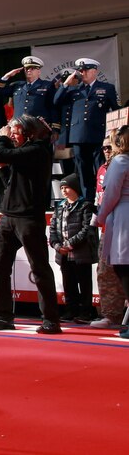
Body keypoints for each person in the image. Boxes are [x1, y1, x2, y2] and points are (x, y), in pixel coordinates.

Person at [0, 116, 61, 333]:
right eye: (12, 132)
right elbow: (10, 181)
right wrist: (1, 168)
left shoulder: (37, 150)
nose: (12, 135)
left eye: (16, 132)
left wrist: (1, 138)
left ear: (29, 132)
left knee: (39, 268)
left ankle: (51, 319)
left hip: (28, 218)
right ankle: (3, 316)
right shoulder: (24, 153)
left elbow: (0, 152)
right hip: (8, 216)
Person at [54, 58, 119, 201]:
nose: (81, 73)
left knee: (101, 168)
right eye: (80, 70)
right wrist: (65, 84)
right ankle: (87, 201)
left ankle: (104, 197)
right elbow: (56, 101)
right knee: (83, 171)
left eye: (85, 70)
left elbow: (115, 110)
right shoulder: (73, 89)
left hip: (98, 135)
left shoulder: (106, 88)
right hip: (78, 136)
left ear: (94, 71)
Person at [95, 125, 129, 339]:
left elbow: (111, 194)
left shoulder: (120, 161)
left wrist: (99, 217)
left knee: (123, 268)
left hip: (123, 217)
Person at [50, 173, 97, 323]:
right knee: (68, 283)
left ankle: (86, 312)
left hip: (81, 253)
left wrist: (70, 244)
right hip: (63, 254)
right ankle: (71, 310)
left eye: (67, 187)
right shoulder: (59, 207)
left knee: (84, 283)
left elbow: (87, 229)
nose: (63, 190)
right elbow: (52, 231)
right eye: (62, 187)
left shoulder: (86, 206)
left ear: (75, 188)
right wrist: (58, 246)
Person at [0, 55, 59, 125]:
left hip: (38, 128)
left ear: (39, 71)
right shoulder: (17, 85)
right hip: (18, 127)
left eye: (32, 68)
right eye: (26, 68)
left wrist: (55, 128)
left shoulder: (47, 85)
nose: (29, 70)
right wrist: (6, 76)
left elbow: (53, 107)